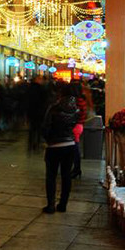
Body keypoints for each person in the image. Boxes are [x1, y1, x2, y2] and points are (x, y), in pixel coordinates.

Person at [42, 83, 78, 213]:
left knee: (51, 176)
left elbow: (46, 126)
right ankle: (63, 204)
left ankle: (50, 205)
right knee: (66, 175)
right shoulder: (75, 109)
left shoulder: (54, 108)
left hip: (54, 146)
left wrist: (48, 139)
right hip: (70, 145)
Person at [70, 81, 87, 179]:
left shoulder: (76, 101)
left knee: (74, 148)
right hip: (79, 125)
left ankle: (76, 169)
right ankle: (76, 168)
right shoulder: (82, 100)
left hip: (75, 126)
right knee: (74, 147)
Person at [27, 76, 47, 152]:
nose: (42, 80)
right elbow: (44, 100)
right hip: (39, 112)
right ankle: (37, 144)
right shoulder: (41, 89)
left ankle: (30, 144)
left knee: (32, 129)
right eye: (40, 79)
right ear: (37, 80)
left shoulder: (29, 88)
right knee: (38, 129)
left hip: (31, 112)